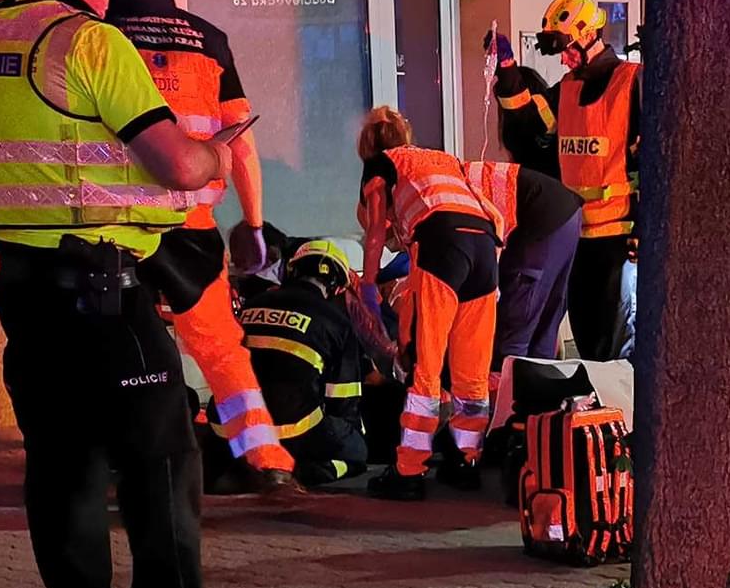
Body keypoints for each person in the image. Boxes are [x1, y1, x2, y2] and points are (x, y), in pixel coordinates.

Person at [0, 0, 224, 588]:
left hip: (26, 292)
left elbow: (55, 149)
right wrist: (214, 156)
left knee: (62, 467)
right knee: (160, 464)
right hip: (105, 294)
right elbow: (174, 162)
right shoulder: (89, 41)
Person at [106, 0, 297, 489]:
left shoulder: (98, 34)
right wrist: (254, 224)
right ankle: (266, 460)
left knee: (125, 346)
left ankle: (132, 464)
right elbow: (241, 142)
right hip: (193, 228)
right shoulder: (208, 40)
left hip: (119, 227)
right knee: (219, 345)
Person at [356, 107, 500, 500]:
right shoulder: (442, 159)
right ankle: (466, 460)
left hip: (440, 245)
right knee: (472, 369)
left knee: (425, 365)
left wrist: (368, 286)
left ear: (368, 146)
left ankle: (409, 471)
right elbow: (490, 211)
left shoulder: (381, 165)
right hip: (484, 248)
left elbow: (375, 233)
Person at [487, 0, 640, 361]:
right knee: (586, 340)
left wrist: (646, 228)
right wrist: (507, 71)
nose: (563, 58)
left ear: (588, 35)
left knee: (614, 345)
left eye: (567, 48)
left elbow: (655, 160)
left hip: (618, 240)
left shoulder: (631, 82)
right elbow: (529, 124)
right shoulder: (568, 89)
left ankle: (622, 399)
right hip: (575, 237)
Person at [212, 241, 368, 487]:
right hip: (291, 432)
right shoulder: (338, 323)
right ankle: (301, 472)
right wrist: (345, 435)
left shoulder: (251, 305)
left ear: (291, 271)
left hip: (229, 428)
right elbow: (343, 399)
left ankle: (240, 468)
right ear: (337, 287)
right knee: (357, 451)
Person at [462, 159, 584, 369]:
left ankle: (510, 386)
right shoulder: (450, 175)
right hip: (566, 211)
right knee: (545, 326)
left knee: (515, 327)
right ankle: (540, 386)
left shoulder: (439, 198)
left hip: (541, 216)